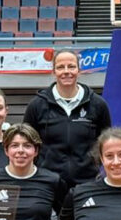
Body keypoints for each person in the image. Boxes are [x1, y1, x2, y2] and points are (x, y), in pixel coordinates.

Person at [23, 49, 112, 189]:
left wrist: (95, 168)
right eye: (60, 67)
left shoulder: (98, 104)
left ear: (79, 70)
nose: (66, 71)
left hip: (87, 183)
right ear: (54, 72)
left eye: (71, 66)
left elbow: (106, 143)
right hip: (47, 183)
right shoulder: (36, 105)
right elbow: (26, 143)